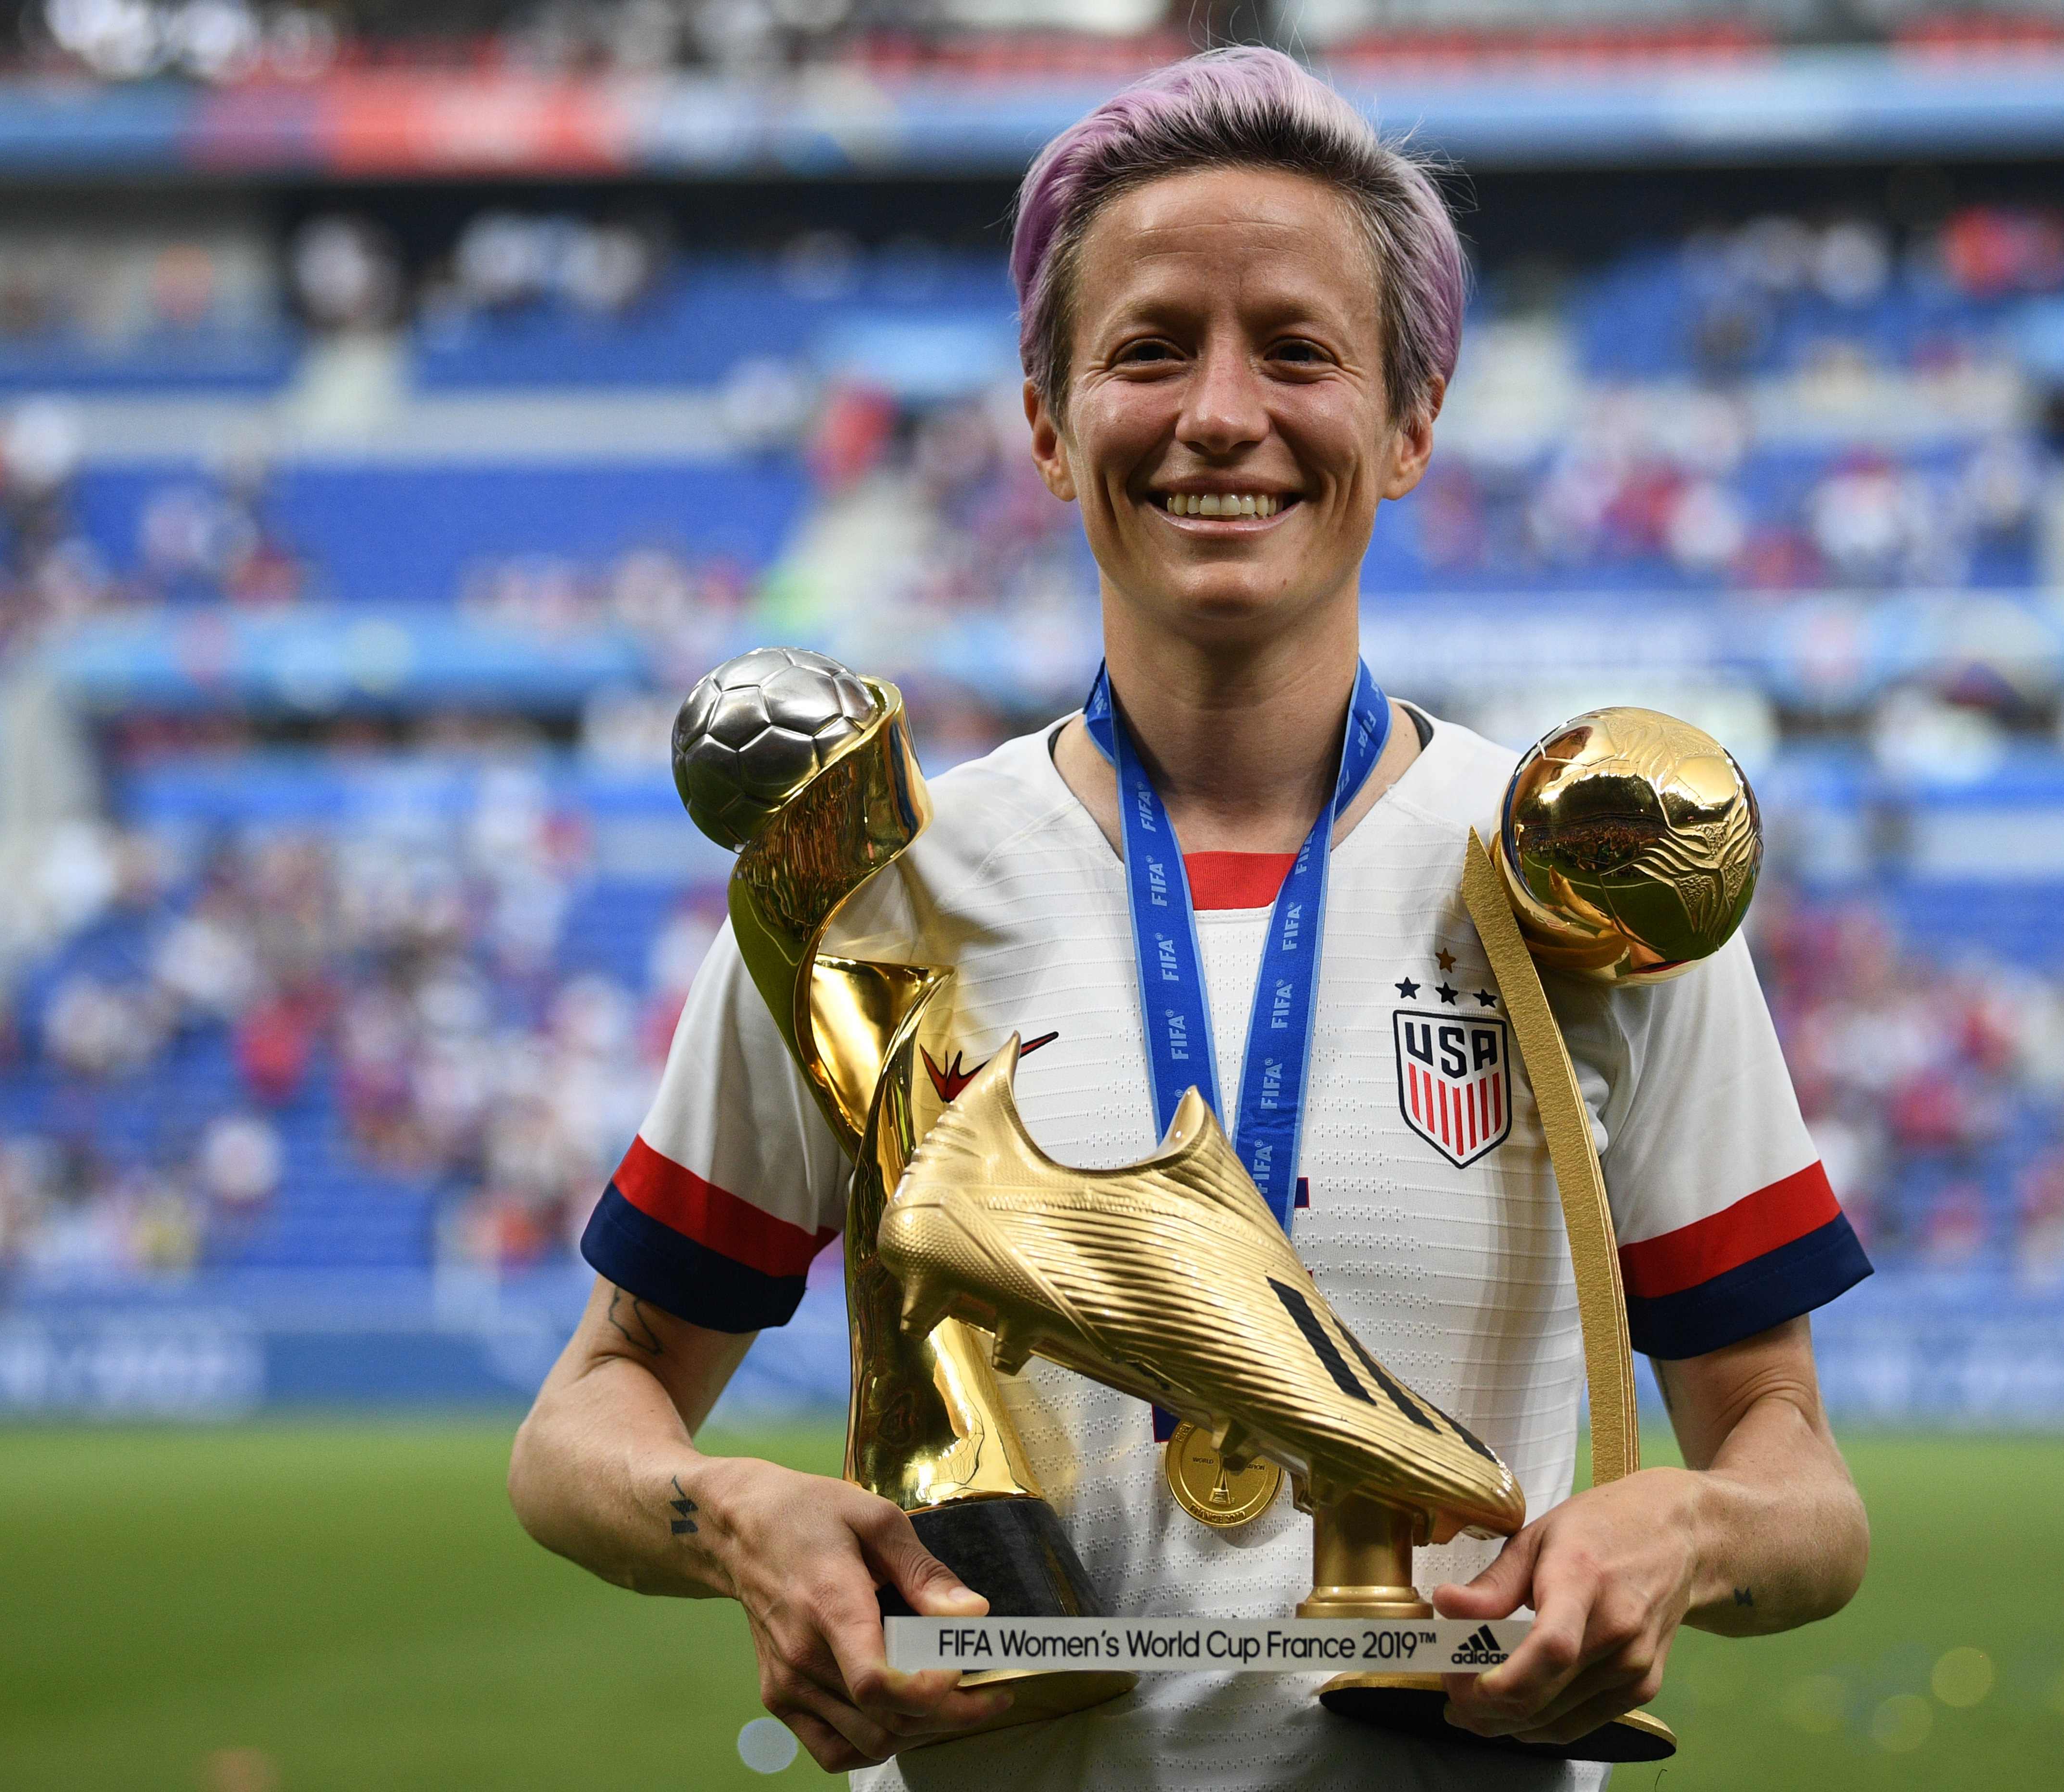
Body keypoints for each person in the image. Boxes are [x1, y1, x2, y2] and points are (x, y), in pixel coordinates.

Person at [509, 47, 1871, 1791]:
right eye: (1151, 347)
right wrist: (733, 1516)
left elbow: (1797, 1478)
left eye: (1297, 350)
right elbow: (588, 1413)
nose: (1220, 412)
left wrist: (1683, 1533)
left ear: (1411, 423)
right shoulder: (877, 885)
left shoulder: (1582, 877)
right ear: (1047, 420)